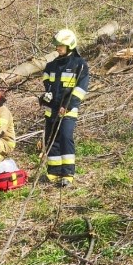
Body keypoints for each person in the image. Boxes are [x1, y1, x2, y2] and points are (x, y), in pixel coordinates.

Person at [40, 29, 89, 187]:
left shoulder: (79, 65)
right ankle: (53, 173)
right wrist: (46, 97)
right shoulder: (51, 65)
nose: (58, 48)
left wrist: (67, 106)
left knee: (66, 139)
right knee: (51, 140)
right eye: (57, 45)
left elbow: (80, 89)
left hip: (68, 111)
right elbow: (47, 85)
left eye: (61, 45)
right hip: (51, 111)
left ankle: (67, 174)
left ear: (70, 45)